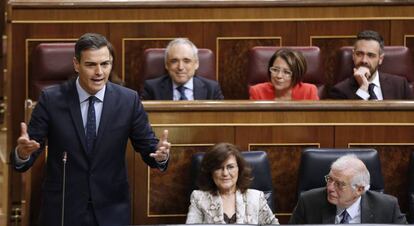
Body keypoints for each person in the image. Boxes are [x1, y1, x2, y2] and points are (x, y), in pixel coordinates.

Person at [11, 33, 171, 226]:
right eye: (91, 65)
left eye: (105, 64)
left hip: (111, 209)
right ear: (76, 64)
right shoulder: (51, 99)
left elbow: (148, 147)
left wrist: (160, 155)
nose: (99, 72)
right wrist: (22, 153)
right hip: (63, 208)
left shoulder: (128, 101)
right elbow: (28, 152)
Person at [289, 154, 407, 224]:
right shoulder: (309, 202)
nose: (330, 188)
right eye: (330, 179)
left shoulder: (387, 207)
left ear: (359, 189)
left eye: (339, 184)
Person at [186, 143, 279, 224]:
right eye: (219, 167)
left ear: (239, 169)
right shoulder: (199, 198)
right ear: (211, 171)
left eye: (230, 167)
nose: (225, 173)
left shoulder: (256, 198)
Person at [330, 30, 413, 100]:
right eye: (359, 54)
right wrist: (363, 88)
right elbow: (352, 118)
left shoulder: (400, 85)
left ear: (380, 59)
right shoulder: (339, 91)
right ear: (353, 55)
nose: (364, 60)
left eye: (370, 55)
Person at [141, 38, 224, 100]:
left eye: (186, 61)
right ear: (167, 65)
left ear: (196, 64)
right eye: (174, 61)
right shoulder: (152, 88)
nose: (180, 67)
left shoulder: (212, 89)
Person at [249, 48, 319, 100]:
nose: (279, 76)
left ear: (297, 74)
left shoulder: (309, 91)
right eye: (275, 70)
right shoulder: (257, 92)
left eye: (286, 72)